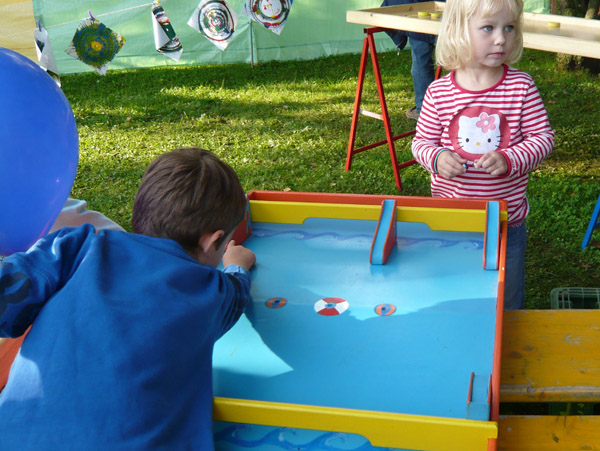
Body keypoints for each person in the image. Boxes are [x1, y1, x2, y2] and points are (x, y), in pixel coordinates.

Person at [0, 147, 256, 449]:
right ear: (213, 241)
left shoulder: (75, 245)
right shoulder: (212, 290)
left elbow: (8, 300)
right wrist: (237, 264)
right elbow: (238, 292)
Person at [411, 0, 554, 310]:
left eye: (509, 28)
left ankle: (504, 333)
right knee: (454, 292)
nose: (501, 38)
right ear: (458, 31)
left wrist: (510, 158)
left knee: (506, 298)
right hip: (452, 220)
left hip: (506, 222)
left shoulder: (521, 87)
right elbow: (421, 143)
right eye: (488, 28)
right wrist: (437, 158)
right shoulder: (438, 93)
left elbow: (543, 138)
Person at [381, 0, 444, 121]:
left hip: (422, 11)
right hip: (443, 12)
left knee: (421, 59)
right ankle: (460, 103)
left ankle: (424, 109)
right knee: (459, 55)